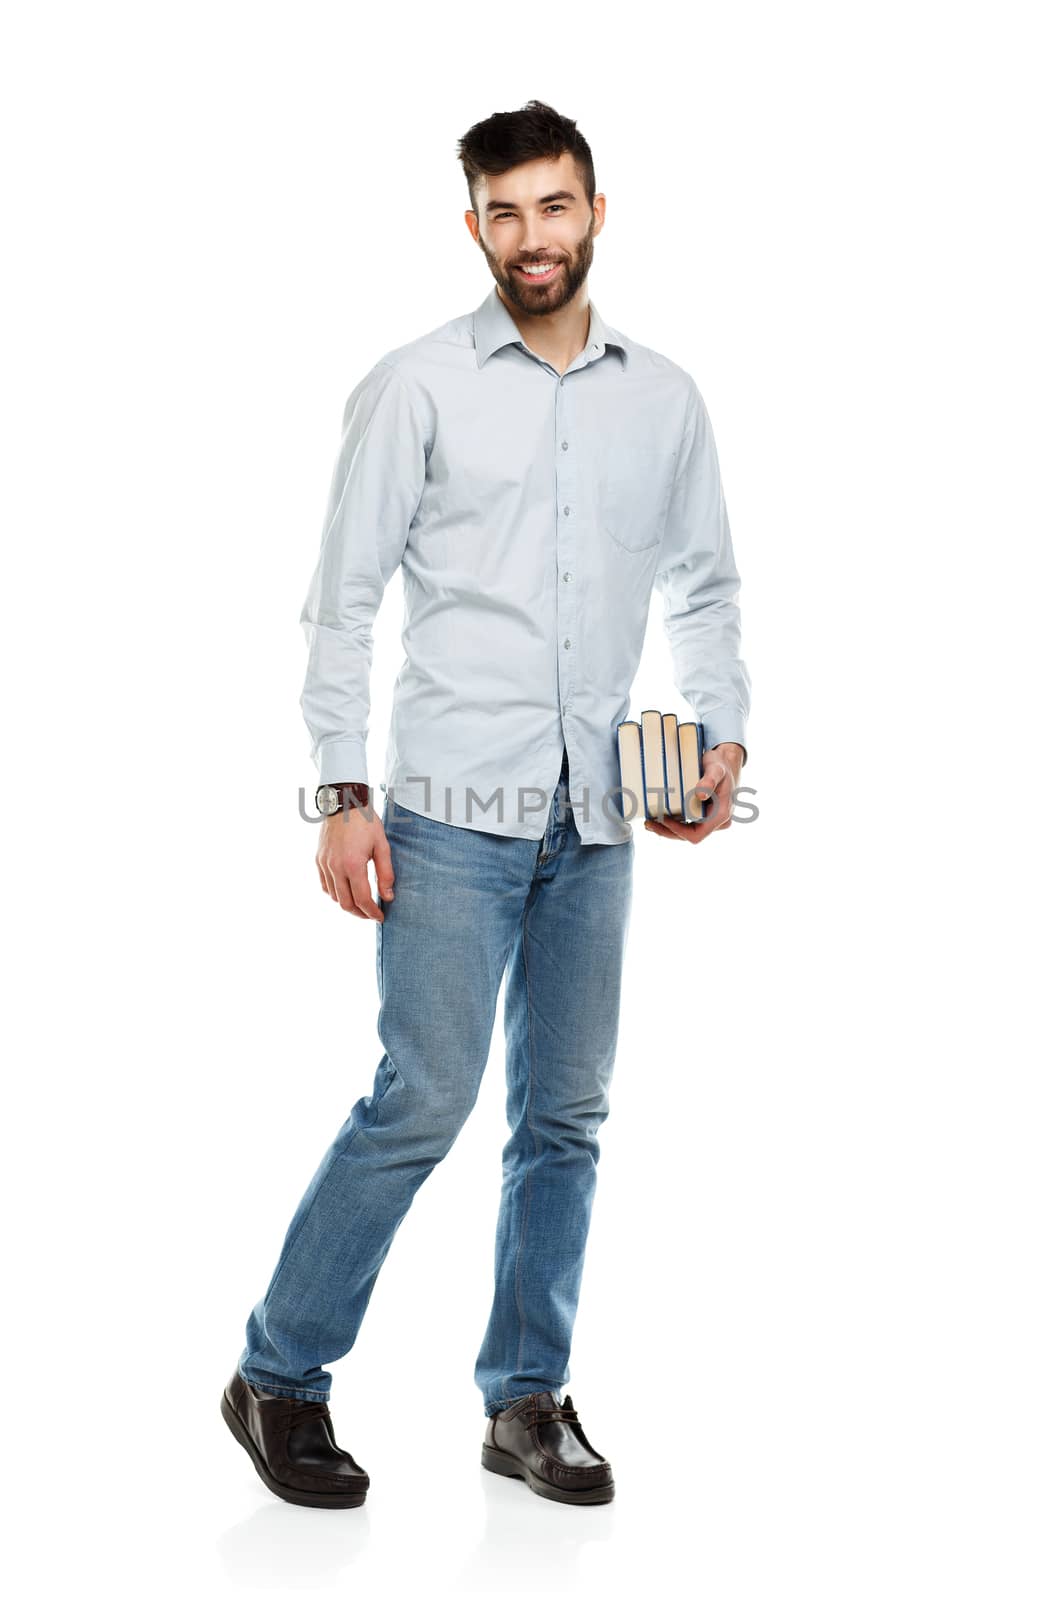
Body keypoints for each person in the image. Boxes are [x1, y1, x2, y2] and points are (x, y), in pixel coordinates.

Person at [221, 98, 751, 1510]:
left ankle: (524, 1402)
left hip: (599, 816)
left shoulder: (666, 397)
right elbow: (338, 603)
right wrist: (340, 796)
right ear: (474, 227)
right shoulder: (415, 386)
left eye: (555, 205)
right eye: (504, 212)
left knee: (564, 1118)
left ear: (595, 212)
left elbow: (702, 586)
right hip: (448, 815)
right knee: (423, 1099)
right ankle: (278, 1377)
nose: (533, 236)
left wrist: (718, 738)